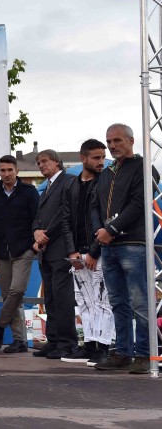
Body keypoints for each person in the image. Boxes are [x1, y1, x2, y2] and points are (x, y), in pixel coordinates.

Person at [92, 123, 159, 374]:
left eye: (117, 140)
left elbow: (139, 204)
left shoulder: (144, 167)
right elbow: (94, 205)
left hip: (133, 244)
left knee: (140, 303)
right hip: (108, 246)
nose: (112, 145)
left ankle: (144, 354)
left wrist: (110, 229)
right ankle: (123, 352)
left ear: (131, 140)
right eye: (109, 141)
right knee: (117, 302)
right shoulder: (106, 172)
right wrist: (100, 231)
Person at [59, 139, 115, 365]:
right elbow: (65, 220)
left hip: (100, 251)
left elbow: (105, 220)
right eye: (96, 157)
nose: (101, 162)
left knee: (103, 301)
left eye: (103, 157)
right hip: (77, 253)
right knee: (84, 301)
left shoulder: (106, 182)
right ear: (83, 158)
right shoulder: (71, 185)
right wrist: (72, 251)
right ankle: (90, 345)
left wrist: (94, 251)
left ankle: (104, 347)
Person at [0, 155, 39, 354]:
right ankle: (19, 340)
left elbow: (38, 218)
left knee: (17, 291)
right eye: (3, 170)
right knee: (8, 295)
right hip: (1, 251)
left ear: (17, 170)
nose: (6, 174)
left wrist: (34, 245)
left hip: (24, 249)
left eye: (10, 170)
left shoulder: (29, 192)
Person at [31, 150, 76, 359]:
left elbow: (65, 213)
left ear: (57, 162)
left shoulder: (68, 181)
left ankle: (66, 343)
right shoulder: (46, 188)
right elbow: (38, 216)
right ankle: (54, 340)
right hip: (46, 252)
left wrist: (45, 235)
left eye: (44, 161)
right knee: (50, 298)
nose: (41, 165)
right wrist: (36, 231)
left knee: (62, 298)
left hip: (61, 248)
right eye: (38, 163)